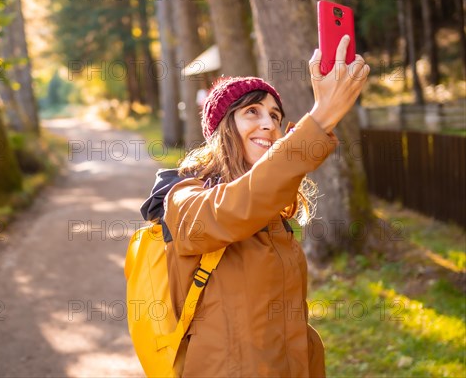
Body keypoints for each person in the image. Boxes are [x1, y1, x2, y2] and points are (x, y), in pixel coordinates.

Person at [140, 36, 369, 377]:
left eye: (275, 117)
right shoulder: (184, 198)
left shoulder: (273, 213)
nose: (269, 124)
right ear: (221, 128)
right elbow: (235, 208)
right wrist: (320, 120)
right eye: (252, 112)